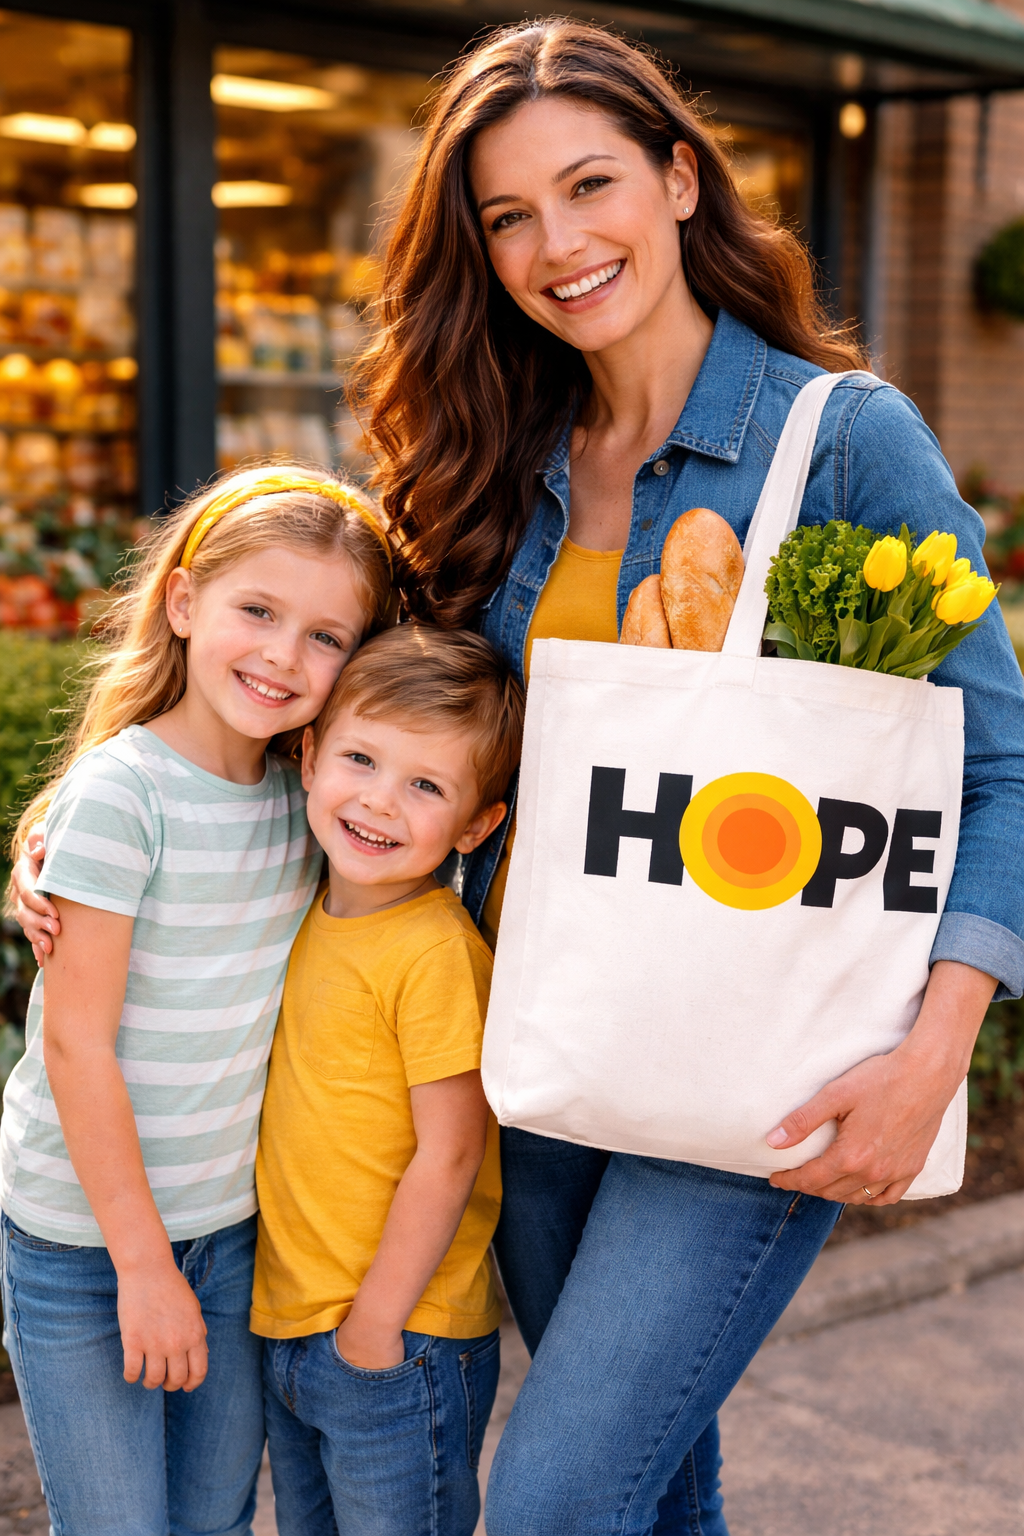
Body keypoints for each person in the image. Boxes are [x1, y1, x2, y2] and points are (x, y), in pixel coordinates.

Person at [350, 19, 1024, 1534]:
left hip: (754, 1074)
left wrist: (932, 1059)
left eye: (590, 185)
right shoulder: (502, 448)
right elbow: (394, 731)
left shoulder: (840, 441)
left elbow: (1008, 767)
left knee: (556, 1501)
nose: (556, 244)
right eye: (508, 216)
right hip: (540, 1042)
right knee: (654, 1493)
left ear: (676, 177)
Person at [1, 465, 391, 1536]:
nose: (282, 655)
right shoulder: (124, 795)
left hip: (227, 1236)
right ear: (183, 602)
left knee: (214, 1518)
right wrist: (141, 1267)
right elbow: (77, 1048)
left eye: (327, 636)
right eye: (256, 611)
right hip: (89, 1242)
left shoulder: (304, 800)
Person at [253, 624, 523, 1536]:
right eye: (361, 759)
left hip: (400, 1337)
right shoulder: (302, 901)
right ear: (310, 754)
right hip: (293, 1325)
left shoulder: (436, 953)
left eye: (426, 786)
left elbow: (451, 1155)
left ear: (478, 824)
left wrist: (374, 1328)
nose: (379, 802)